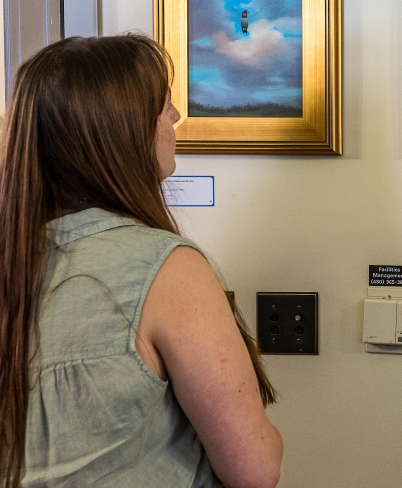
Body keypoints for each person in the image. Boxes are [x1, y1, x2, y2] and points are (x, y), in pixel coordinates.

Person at [0, 34, 283, 488]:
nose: (175, 116)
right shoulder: (167, 269)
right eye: (161, 106)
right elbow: (255, 470)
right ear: (121, 132)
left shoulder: (14, 258)